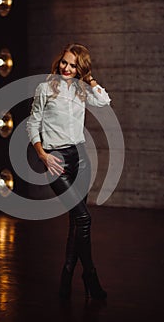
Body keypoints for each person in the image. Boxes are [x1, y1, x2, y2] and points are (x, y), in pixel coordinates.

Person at [26, 43, 111, 300]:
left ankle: (66, 277)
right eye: (65, 62)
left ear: (79, 69)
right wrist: (42, 154)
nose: (66, 68)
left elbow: (104, 101)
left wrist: (89, 77)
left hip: (81, 158)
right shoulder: (45, 88)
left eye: (73, 65)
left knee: (76, 221)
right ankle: (90, 276)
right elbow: (33, 123)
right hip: (56, 160)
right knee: (84, 219)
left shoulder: (81, 90)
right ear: (58, 61)